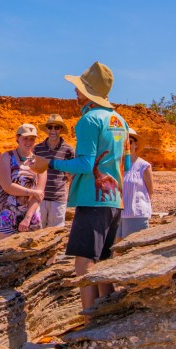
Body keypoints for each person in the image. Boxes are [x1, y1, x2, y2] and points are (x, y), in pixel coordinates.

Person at [31, 61, 130, 312]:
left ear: (88, 92)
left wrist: (49, 163)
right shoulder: (119, 120)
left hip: (92, 199)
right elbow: (125, 164)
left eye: (79, 88)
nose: (76, 92)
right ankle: (106, 318)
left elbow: (86, 165)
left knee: (84, 263)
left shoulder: (88, 120)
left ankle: (87, 321)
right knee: (105, 261)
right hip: (114, 200)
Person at [0, 124, 46, 239]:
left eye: (32, 139)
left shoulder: (40, 162)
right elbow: (7, 186)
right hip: (6, 211)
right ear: (17, 138)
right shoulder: (6, 157)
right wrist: (32, 192)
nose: (29, 142)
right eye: (25, 138)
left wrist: (27, 218)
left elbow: (39, 194)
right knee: (3, 252)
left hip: (30, 214)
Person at [33, 114, 75, 228]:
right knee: (37, 232)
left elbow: (72, 174)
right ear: (46, 129)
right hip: (39, 198)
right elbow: (33, 172)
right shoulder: (37, 149)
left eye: (56, 127)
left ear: (61, 129)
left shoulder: (69, 150)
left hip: (58, 198)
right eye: (50, 127)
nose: (53, 130)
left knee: (55, 234)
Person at [119, 127, 154, 238]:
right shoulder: (115, 165)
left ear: (136, 145)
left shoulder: (144, 166)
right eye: (122, 142)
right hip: (116, 214)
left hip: (135, 214)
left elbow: (150, 191)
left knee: (132, 248)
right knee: (115, 251)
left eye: (129, 142)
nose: (126, 146)